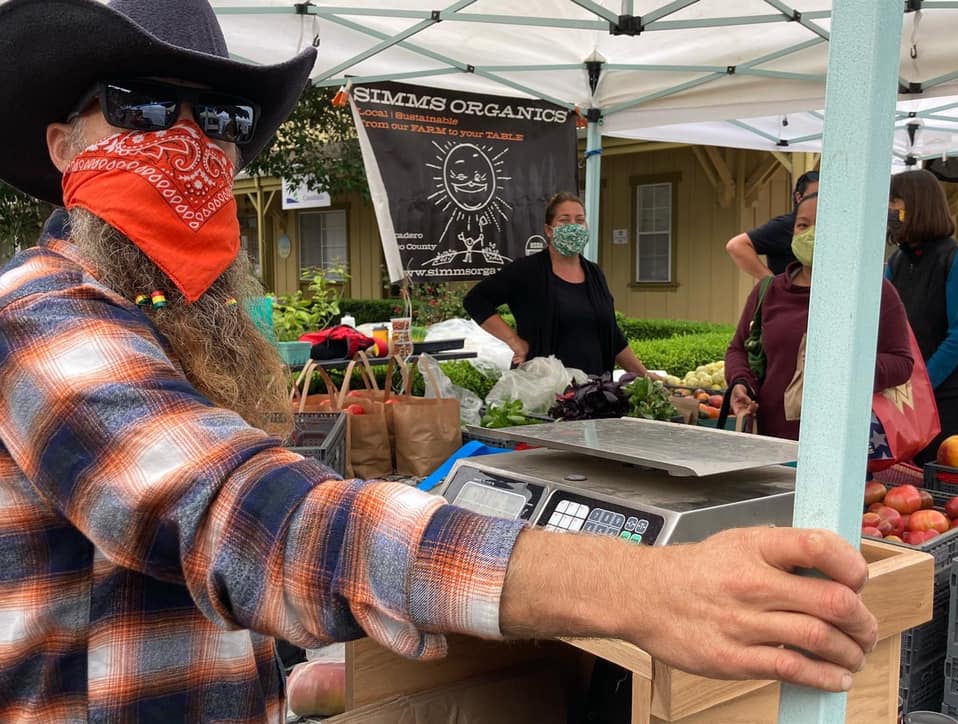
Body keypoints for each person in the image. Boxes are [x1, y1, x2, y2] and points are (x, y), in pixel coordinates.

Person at [0, 1, 877, 720]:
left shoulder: (179, 320)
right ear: (63, 145)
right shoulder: (37, 315)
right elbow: (241, 515)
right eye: (144, 106)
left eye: (222, 117)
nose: (189, 142)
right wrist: (641, 585)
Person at [725, 191, 914, 440]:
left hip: (845, 443)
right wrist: (741, 383)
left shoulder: (872, 291)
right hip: (772, 441)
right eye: (803, 225)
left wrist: (846, 368)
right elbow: (738, 349)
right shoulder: (768, 291)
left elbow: (901, 363)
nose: (811, 234)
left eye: (824, 224)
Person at [463, 192, 651, 377]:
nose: (573, 226)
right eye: (564, 220)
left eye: (579, 220)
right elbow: (476, 300)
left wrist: (646, 376)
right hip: (545, 389)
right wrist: (514, 341)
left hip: (594, 389)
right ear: (549, 230)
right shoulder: (527, 271)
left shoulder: (594, 274)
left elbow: (612, 336)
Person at [887, 169, 958, 464]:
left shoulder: (953, 259)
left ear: (918, 204)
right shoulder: (896, 261)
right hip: (903, 400)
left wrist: (921, 385)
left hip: (945, 402)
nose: (890, 209)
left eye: (895, 201)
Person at [726, 171, 820, 279]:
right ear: (799, 197)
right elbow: (737, 245)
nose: (818, 201)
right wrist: (772, 282)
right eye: (814, 196)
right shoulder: (786, 225)